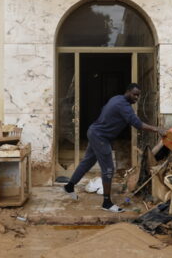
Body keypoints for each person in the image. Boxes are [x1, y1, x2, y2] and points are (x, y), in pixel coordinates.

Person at [63, 83, 166, 212]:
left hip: (94, 132)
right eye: (134, 94)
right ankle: (106, 203)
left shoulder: (116, 98)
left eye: (138, 95)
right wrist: (157, 129)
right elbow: (137, 124)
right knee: (109, 169)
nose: (136, 98)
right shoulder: (124, 106)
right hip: (100, 137)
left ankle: (69, 186)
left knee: (88, 161)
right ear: (128, 92)